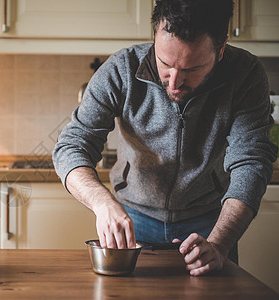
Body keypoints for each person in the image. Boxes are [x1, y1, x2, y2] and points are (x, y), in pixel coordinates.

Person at [53, 0, 277, 276]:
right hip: (133, 220)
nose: (174, 83)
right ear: (154, 38)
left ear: (221, 50)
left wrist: (220, 243)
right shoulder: (121, 69)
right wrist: (102, 202)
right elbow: (71, 146)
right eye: (165, 64)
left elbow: (251, 163)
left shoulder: (245, 74)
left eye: (192, 69)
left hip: (211, 222)